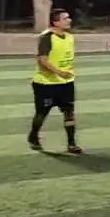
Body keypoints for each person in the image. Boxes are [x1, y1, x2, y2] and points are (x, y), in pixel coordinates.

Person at [28, 9, 82, 154]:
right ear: (55, 22)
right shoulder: (47, 37)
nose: (69, 20)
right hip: (46, 84)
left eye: (68, 17)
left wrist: (66, 74)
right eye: (65, 18)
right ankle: (33, 137)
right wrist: (59, 73)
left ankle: (71, 143)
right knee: (42, 113)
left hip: (66, 83)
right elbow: (42, 60)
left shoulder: (69, 37)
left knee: (69, 112)